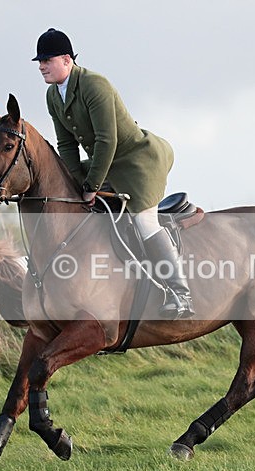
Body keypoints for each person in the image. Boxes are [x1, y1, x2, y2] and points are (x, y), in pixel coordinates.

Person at [33, 28, 194, 319]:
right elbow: (66, 145)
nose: (42, 66)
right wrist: (75, 184)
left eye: (47, 60)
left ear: (67, 60)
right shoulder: (52, 95)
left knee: (144, 221)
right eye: (40, 62)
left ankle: (180, 293)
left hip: (137, 161)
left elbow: (107, 140)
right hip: (104, 160)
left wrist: (91, 186)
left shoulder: (95, 85)